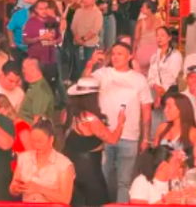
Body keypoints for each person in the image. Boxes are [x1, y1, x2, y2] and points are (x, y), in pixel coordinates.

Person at [93, 42, 153, 203]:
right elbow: (84, 85)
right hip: (105, 135)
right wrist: (90, 64)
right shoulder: (102, 73)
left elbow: (146, 110)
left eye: (120, 53)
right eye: (113, 54)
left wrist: (146, 138)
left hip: (130, 137)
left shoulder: (139, 79)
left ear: (129, 56)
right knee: (101, 178)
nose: (115, 57)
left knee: (124, 182)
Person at [64, 77, 121, 206]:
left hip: (72, 164)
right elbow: (113, 139)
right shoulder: (89, 118)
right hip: (89, 168)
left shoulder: (68, 113)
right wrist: (121, 124)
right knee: (98, 201)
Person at [9, 120, 74, 203]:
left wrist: (39, 189)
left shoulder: (64, 164)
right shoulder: (24, 158)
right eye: (32, 141)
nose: (36, 145)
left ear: (51, 140)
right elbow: (12, 190)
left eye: (40, 141)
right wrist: (16, 189)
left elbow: (65, 200)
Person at [147, 27, 183, 128]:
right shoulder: (155, 55)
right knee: (154, 118)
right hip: (154, 89)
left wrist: (161, 92)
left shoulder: (176, 55)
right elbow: (150, 75)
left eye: (162, 35)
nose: (159, 38)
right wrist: (154, 86)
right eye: (157, 35)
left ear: (169, 37)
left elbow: (171, 76)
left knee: (167, 118)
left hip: (169, 90)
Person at [18, 57, 53, 124]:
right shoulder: (34, 85)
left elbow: (37, 119)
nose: (22, 71)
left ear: (32, 70)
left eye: (24, 68)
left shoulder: (40, 91)